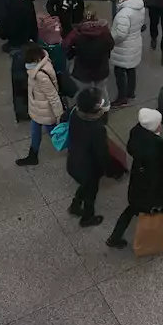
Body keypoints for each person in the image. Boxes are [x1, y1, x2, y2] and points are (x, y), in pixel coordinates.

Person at [105, 108, 163, 249]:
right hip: (151, 186)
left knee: (132, 208)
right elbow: (157, 173)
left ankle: (114, 238)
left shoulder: (137, 133)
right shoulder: (156, 147)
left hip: (138, 181)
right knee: (162, 207)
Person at [66, 86, 110, 227]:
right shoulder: (97, 129)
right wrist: (106, 168)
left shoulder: (74, 112)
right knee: (91, 193)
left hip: (73, 161)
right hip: (89, 168)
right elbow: (101, 153)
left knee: (84, 186)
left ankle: (75, 205)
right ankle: (87, 218)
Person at [15, 45, 64, 166]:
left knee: (55, 133)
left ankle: (74, 149)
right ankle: (33, 155)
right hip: (38, 108)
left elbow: (53, 96)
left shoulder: (40, 75)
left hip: (45, 111)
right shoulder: (38, 66)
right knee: (36, 132)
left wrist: (59, 115)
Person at [109, 0, 146, 107]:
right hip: (135, 42)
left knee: (120, 72)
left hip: (124, 47)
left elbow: (120, 34)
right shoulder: (140, 7)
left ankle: (122, 97)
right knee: (131, 69)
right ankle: (130, 93)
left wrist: (112, 41)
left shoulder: (124, 14)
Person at [63, 8, 113, 91]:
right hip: (101, 67)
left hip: (82, 68)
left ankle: (86, 103)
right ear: (96, 16)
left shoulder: (77, 31)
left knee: (84, 92)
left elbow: (65, 45)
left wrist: (73, 52)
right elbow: (111, 44)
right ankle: (104, 103)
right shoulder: (104, 30)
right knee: (101, 90)